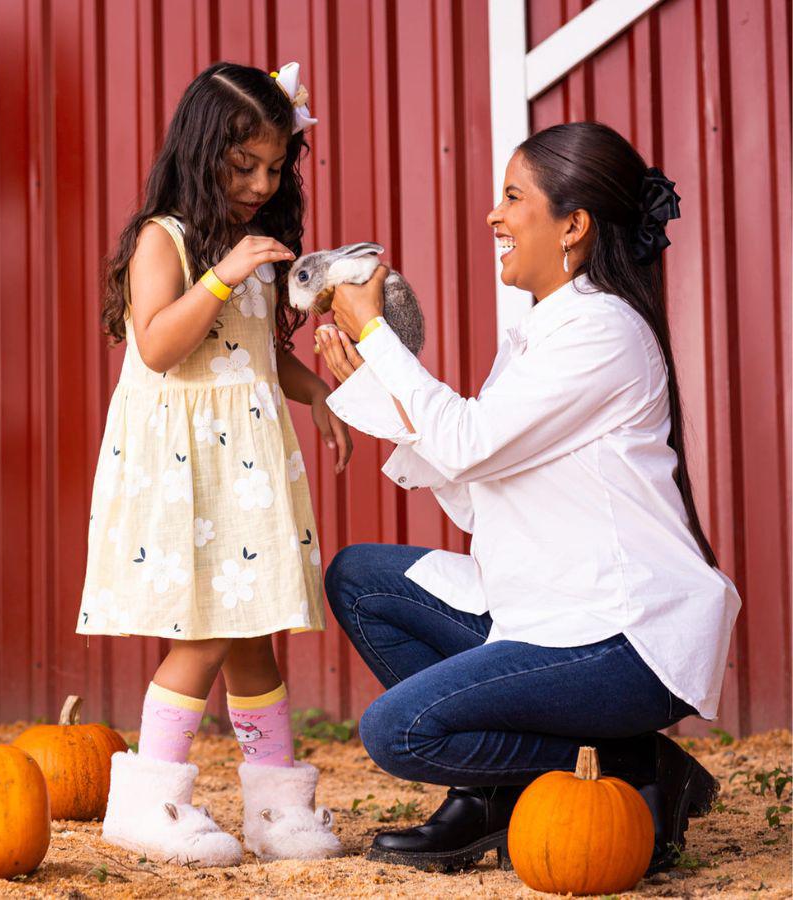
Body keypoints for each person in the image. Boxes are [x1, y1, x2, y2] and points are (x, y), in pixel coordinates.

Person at [316, 121, 740, 874]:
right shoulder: (544, 332)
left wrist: (378, 337)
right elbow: (482, 492)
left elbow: (468, 441)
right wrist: (368, 385)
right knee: (360, 580)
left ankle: (630, 770)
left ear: (573, 225)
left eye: (513, 198)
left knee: (399, 732)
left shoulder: (602, 332)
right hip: (549, 606)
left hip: (619, 637)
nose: (495, 217)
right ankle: (499, 795)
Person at [79, 61, 350, 866]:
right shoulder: (165, 239)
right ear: (201, 153)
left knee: (254, 633)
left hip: (246, 466)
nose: (263, 183)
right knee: (200, 633)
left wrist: (318, 395)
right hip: (183, 466)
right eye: (244, 167)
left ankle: (276, 809)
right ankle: (148, 800)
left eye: (275, 167)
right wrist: (222, 277)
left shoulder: (253, 246)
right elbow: (160, 345)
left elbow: (258, 358)